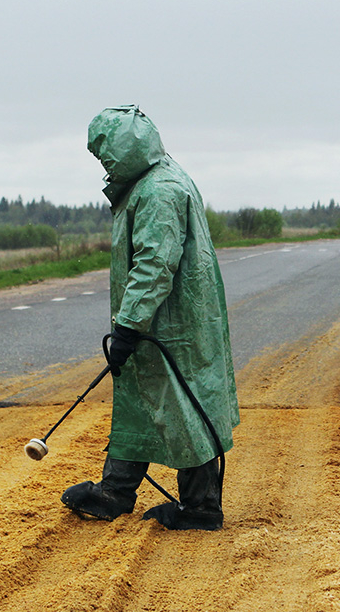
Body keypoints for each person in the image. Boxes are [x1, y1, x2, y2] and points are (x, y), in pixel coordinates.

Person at [60, 105, 239, 531]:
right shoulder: (152, 180)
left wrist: (128, 324)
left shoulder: (159, 189)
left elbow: (155, 264)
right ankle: (116, 492)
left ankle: (200, 508)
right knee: (146, 400)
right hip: (161, 320)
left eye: (104, 151)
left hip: (169, 323)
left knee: (181, 406)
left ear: (124, 146)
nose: (102, 161)